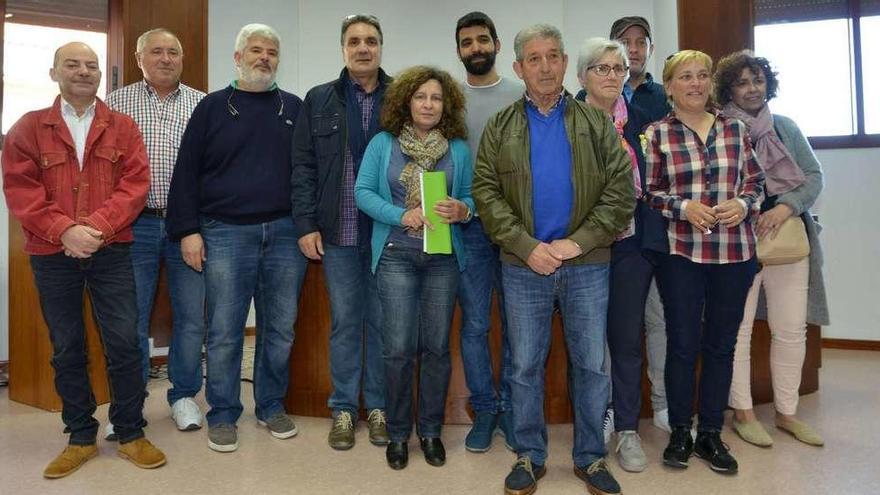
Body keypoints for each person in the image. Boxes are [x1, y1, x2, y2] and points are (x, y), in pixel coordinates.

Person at [473, 24, 634, 495]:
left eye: (552, 57)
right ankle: (528, 454)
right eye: (533, 59)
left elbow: (620, 192)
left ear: (565, 63)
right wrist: (527, 247)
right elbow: (485, 193)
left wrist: (576, 242)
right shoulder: (500, 126)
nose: (544, 67)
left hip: (586, 264)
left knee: (590, 364)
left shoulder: (596, 123)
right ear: (518, 68)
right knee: (524, 364)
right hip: (524, 267)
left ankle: (590, 458)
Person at [2, 41, 166, 478]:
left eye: (91, 65)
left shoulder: (123, 127)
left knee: (126, 345)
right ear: (54, 73)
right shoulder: (28, 128)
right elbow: (21, 190)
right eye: (72, 64)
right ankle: (79, 436)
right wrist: (64, 231)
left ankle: (131, 432)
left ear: (100, 75)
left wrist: (94, 229)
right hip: (51, 255)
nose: (83, 71)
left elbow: (135, 185)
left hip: (111, 251)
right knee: (67, 348)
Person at [166, 23, 306, 453]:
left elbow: (305, 173)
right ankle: (224, 412)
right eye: (256, 51)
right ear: (238, 57)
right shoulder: (211, 108)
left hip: (285, 234)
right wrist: (187, 230)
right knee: (225, 330)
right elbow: (186, 172)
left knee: (279, 328)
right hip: (225, 232)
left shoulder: (293, 107)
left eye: (271, 52)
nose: (264, 58)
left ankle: (269, 405)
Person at [645, 50, 764, 475]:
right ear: (670, 85)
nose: (695, 83)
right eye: (685, 76)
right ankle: (681, 432)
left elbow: (756, 183)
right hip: (682, 255)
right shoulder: (657, 133)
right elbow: (651, 191)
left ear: (710, 82)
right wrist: (683, 207)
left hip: (735, 254)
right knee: (681, 344)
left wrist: (744, 204)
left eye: (702, 75)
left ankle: (711, 434)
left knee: (720, 345)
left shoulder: (737, 129)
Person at [354, 65, 473, 471]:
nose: (428, 104)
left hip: (443, 260)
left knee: (437, 348)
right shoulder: (383, 144)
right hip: (396, 255)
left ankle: (432, 432)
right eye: (421, 96)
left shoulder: (457, 148)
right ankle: (400, 433)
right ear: (406, 100)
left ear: (447, 106)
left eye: (436, 98)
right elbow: (363, 193)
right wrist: (400, 215)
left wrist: (462, 209)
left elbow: (472, 199)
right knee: (399, 349)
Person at [715, 50, 829, 448]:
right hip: (737, 240)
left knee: (791, 329)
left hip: (787, 239)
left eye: (758, 80)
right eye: (743, 82)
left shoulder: (784, 127)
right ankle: (743, 413)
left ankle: (787, 413)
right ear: (729, 89)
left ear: (769, 84)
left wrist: (783, 208)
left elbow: (813, 178)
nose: (752, 88)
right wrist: (747, 211)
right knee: (738, 330)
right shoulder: (721, 129)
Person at [292, 13, 390, 451]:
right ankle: (345, 409)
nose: (363, 48)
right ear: (344, 49)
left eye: (370, 40)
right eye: (354, 41)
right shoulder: (319, 99)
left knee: (384, 324)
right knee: (347, 323)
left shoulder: (401, 96)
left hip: (389, 236)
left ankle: (380, 407)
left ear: (381, 47)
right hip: (341, 234)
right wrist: (306, 224)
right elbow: (303, 168)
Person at [576, 15, 674, 440]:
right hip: (582, 243)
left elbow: (656, 178)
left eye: (618, 68)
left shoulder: (641, 119)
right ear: (583, 75)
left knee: (627, 335)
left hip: (633, 239)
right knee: (590, 342)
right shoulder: (568, 118)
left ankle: (629, 426)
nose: (614, 74)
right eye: (603, 67)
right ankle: (600, 415)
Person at [106, 28, 206, 436]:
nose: (166, 58)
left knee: (191, 318)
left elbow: (210, 169)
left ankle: (183, 397)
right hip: (135, 224)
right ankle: (129, 406)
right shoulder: (116, 103)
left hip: (188, 226)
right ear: (139, 57)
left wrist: (196, 225)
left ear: (182, 58)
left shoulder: (203, 104)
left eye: (173, 52)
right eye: (157, 52)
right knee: (131, 318)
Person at [453, 10, 522, 453]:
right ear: (459, 51)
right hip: (469, 229)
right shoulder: (449, 100)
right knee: (475, 324)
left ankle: (515, 411)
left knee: (520, 327)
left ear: (497, 45)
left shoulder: (521, 94)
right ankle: (486, 408)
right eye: (467, 42)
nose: (475, 48)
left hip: (518, 230)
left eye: (483, 40)